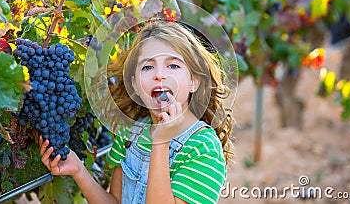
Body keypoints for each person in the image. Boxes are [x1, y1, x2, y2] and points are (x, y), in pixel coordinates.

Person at [40, 20, 234, 204]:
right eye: (148, 67)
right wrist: (78, 171)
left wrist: (161, 142)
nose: (159, 75)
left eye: (173, 65)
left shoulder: (203, 148)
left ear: (194, 81)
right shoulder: (130, 134)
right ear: (135, 86)